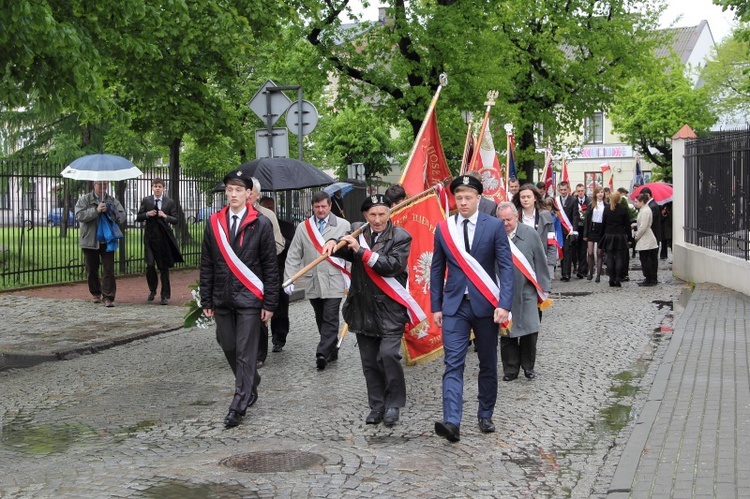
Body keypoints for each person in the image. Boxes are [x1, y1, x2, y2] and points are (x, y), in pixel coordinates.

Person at [430, 174, 514, 442]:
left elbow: (506, 267)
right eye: (459, 197)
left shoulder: (494, 226)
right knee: (452, 363)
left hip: (486, 307)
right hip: (454, 306)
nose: (463, 202)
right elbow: (436, 269)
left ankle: (485, 412)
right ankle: (452, 421)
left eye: (468, 197)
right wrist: (436, 306)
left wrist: (504, 304)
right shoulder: (444, 229)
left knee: (488, 362)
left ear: (479, 198)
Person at [323, 194, 414, 427]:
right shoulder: (358, 233)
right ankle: (377, 405)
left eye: (382, 213)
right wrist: (333, 242)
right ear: (365, 215)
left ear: (389, 213)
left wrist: (362, 252)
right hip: (363, 308)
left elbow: (392, 266)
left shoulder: (401, 237)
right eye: (372, 214)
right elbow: (343, 249)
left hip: (390, 309)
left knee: (388, 356)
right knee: (370, 362)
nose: (377, 219)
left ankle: (394, 404)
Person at [199, 169, 279, 428]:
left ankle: (239, 403)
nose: (233, 194)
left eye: (238, 190)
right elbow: (207, 263)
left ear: (249, 194)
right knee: (229, 345)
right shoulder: (214, 223)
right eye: (230, 190)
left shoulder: (261, 223)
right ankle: (250, 381)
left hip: (249, 298)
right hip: (222, 296)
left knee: (245, 352)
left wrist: (270, 303)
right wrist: (206, 299)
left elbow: (270, 265)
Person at [284, 191, 351, 370]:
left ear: (330, 206)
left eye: (324, 206)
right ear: (312, 207)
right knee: (320, 318)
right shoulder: (303, 227)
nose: (321, 210)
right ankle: (331, 348)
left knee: (330, 316)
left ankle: (322, 352)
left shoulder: (343, 225)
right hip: (312, 279)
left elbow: (351, 254)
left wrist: (352, 279)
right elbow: (293, 254)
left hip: (334, 279)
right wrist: (289, 278)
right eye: (317, 207)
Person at [496, 202, 551, 381]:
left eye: (509, 219)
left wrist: (544, 289)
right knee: (507, 332)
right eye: (502, 220)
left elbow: (540, 262)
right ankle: (510, 369)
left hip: (527, 292)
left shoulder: (530, 234)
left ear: (516, 217)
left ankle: (528, 367)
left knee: (530, 330)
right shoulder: (495, 236)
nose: (506, 223)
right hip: (504, 293)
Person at [248, 178, 285, 368]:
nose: (246, 195)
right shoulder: (228, 215)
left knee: (259, 314)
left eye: (251, 192)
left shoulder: (267, 216)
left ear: (257, 195)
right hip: (236, 274)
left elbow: (279, 243)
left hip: (260, 273)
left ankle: (259, 354)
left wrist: (264, 257)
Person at [75, 181, 126, 307]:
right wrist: (96, 211)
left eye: (105, 184)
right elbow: (80, 215)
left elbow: (122, 216)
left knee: (109, 269)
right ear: (94, 185)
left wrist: (110, 210)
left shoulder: (112, 200)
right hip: (90, 240)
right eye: (100, 184)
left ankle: (108, 296)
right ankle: (96, 293)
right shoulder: (85, 200)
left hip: (107, 240)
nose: (103, 187)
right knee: (92, 269)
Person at [136, 178, 183, 305]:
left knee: (164, 267)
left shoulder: (169, 202)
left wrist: (165, 216)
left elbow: (175, 219)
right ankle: (152, 290)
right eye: (155, 186)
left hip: (163, 238)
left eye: (159, 186)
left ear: (163, 188)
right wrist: (147, 214)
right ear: (152, 188)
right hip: (150, 238)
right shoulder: (146, 200)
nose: (157, 188)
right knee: (150, 264)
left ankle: (165, 295)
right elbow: (138, 217)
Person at [260, 196, 295, 353]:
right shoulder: (256, 223)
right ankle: (260, 343)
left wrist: (282, 239)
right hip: (260, 272)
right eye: (266, 208)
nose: (269, 211)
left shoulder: (286, 226)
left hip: (280, 271)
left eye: (271, 208)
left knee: (280, 306)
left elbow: (293, 248)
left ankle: (279, 338)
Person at [511, 183, 557, 279]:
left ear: (535, 198)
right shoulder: (513, 217)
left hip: (541, 264)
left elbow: (552, 243)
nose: (526, 199)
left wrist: (550, 266)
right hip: (519, 265)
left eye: (528, 196)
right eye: (523, 197)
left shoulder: (545, 216)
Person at [601, 191, 632, 288]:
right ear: (619, 199)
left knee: (610, 257)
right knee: (619, 257)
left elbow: (603, 224)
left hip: (609, 234)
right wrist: (630, 238)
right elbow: (627, 225)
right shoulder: (623, 209)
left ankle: (611, 278)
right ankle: (618, 278)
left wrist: (601, 236)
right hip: (620, 235)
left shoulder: (606, 209)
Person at [634, 194, 659, 286]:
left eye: (637, 202)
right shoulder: (644, 210)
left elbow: (643, 227)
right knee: (645, 258)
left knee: (645, 259)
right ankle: (649, 278)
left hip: (646, 238)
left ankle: (649, 278)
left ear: (642, 202)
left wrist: (637, 236)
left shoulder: (645, 211)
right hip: (645, 237)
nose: (635, 203)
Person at [582, 186, 605, 282]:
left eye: (602, 192)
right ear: (595, 194)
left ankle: (598, 275)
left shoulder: (606, 205)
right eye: (598, 192)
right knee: (590, 252)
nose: (600, 194)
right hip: (592, 229)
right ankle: (590, 272)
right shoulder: (591, 205)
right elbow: (587, 220)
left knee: (599, 253)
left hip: (601, 230)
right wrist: (585, 234)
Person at [556, 181, 577, 281]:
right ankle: (562, 272)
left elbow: (575, 216)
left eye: (565, 190)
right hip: (559, 230)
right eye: (561, 190)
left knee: (567, 251)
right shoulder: (556, 201)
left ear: (568, 189)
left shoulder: (573, 200)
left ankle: (566, 274)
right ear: (558, 190)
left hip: (569, 230)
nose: (563, 192)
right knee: (561, 250)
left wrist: (574, 230)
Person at [573, 183, 590, 278]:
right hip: (576, 228)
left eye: (582, 191)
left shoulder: (589, 201)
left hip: (585, 228)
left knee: (584, 250)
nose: (580, 193)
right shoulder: (574, 201)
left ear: (585, 191)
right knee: (577, 250)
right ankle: (582, 268)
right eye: (578, 191)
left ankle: (582, 270)